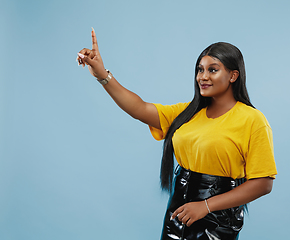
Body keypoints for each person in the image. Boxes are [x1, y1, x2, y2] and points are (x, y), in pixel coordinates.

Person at [77, 28, 277, 240]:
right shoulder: (188, 112)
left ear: (233, 76)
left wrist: (206, 206)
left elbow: (263, 183)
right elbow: (140, 109)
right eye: (200, 70)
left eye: (213, 70)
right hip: (179, 208)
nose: (203, 76)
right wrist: (102, 75)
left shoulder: (252, 120)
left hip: (218, 218)